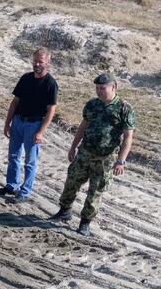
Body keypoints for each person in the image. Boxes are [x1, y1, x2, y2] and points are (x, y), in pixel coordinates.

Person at [50, 73, 135, 236]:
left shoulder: (124, 108)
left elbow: (128, 136)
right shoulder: (92, 105)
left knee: (95, 191)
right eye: (97, 88)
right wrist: (73, 147)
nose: (99, 91)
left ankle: (85, 223)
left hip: (106, 158)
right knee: (71, 181)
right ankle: (64, 211)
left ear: (114, 87)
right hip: (85, 152)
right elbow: (83, 126)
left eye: (102, 88)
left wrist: (121, 161)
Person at [0, 48, 58, 202]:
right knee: (14, 156)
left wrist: (41, 132)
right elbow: (15, 102)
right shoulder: (26, 78)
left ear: (48, 63)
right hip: (18, 121)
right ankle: (11, 185)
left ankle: (25, 192)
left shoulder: (51, 84)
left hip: (34, 124)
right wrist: (7, 123)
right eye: (35, 61)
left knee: (30, 161)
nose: (37, 64)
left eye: (40, 62)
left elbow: (51, 111)